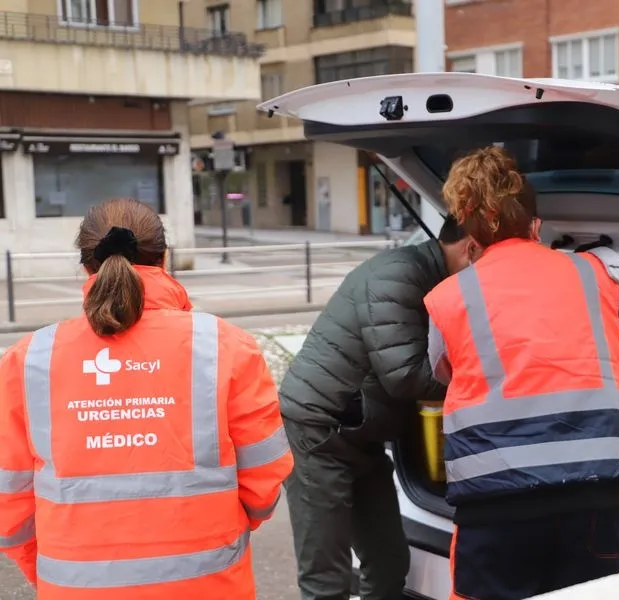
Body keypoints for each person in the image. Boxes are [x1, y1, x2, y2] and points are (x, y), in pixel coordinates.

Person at [424, 147, 619, 600]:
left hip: (497, 502)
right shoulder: (595, 272)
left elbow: (443, 370)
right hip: (598, 495)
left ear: (472, 237)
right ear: (536, 228)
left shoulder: (448, 297)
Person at [0, 198, 293, 599]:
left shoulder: (28, 359)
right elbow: (265, 476)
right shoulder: (226, 346)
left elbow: (9, 502)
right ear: (164, 258)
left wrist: (55, 572)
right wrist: (222, 531)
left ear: (86, 266)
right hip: (209, 586)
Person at [279, 216, 480, 600]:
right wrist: (484, 382)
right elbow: (405, 376)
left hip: (361, 433)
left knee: (388, 562)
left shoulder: (432, 278)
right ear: (471, 248)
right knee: (326, 579)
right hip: (318, 434)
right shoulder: (398, 276)